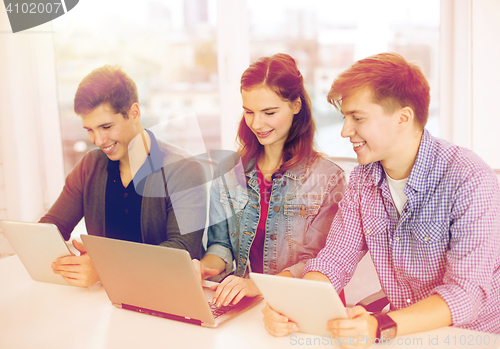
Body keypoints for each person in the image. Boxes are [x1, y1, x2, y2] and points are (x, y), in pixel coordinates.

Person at [262, 52, 500, 345]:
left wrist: (380, 324)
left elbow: (465, 295)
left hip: (472, 337)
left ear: (403, 118)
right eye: (345, 117)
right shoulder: (364, 179)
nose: (345, 131)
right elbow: (334, 261)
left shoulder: (468, 178)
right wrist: (296, 308)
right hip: (398, 334)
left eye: (357, 118)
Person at [193, 53, 346, 308]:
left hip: (305, 306)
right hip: (251, 305)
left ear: (296, 105)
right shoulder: (229, 170)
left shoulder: (328, 179)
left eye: (269, 112)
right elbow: (221, 245)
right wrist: (204, 268)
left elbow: (319, 262)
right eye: (249, 112)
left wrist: (259, 286)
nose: (256, 123)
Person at [41, 66, 207, 288]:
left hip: (166, 295)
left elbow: (182, 250)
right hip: (108, 299)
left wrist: (104, 267)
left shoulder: (184, 169)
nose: (98, 140)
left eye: (106, 126)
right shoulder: (90, 166)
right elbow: (52, 227)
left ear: (134, 113)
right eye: (89, 129)